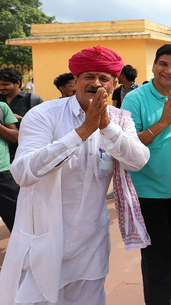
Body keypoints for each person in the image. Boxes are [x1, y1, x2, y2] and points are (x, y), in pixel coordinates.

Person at [0, 46, 150, 304]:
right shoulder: (44, 115)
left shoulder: (121, 119)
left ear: (114, 84)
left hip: (91, 242)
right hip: (44, 238)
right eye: (88, 76)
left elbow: (138, 160)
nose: (96, 83)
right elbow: (23, 173)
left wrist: (106, 127)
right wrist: (82, 132)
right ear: (76, 81)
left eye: (104, 78)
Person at [121, 44, 171, 305]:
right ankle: (157, 299)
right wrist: (162, 123)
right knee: (156, 251)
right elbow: (129, 145)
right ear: (154, 66)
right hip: (148, 190)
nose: (169, 70)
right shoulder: (135, 99)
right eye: (163, 64)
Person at [0, 68, 43, 161]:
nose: (1, 87)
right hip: (3, 155)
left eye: (5, 84)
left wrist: (21, 119)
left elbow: (45, 123)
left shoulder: (33, 100)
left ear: (18, 83)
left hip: (26, 153)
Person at [0, 102, 18, 232]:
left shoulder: (2, 107)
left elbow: (14, 136)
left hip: (3, 173)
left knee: (16, 219)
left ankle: (24, 250)